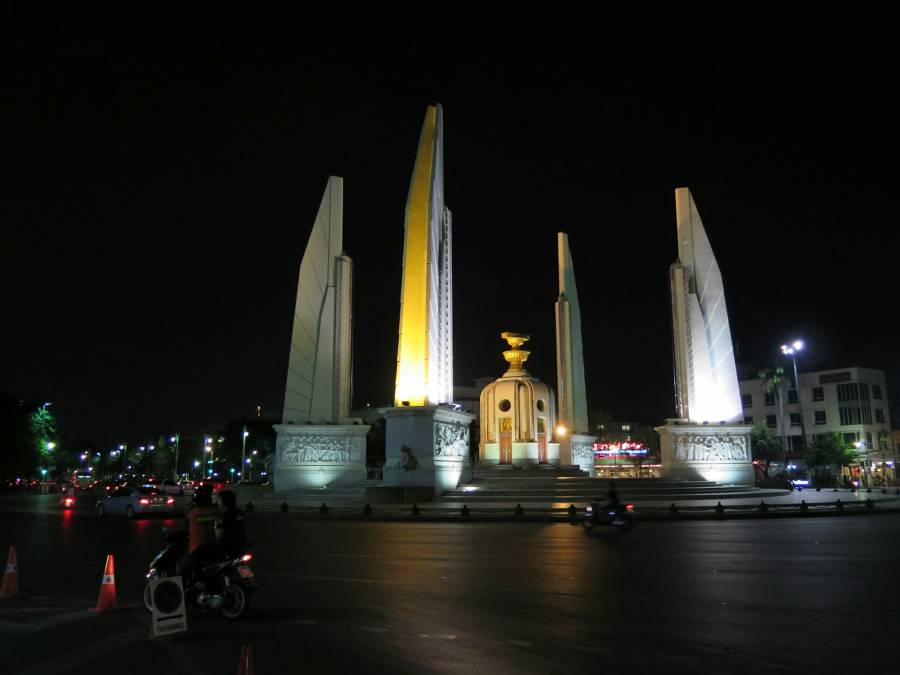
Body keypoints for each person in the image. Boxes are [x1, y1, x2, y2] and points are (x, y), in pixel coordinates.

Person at [214, 490, 248, 558]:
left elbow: (219, 535)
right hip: (241, 547)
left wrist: (215, 526)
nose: (217, 503)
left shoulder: (224, 517)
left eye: (219, 500)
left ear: (222, 501)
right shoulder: (238, 513)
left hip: (227, 550)